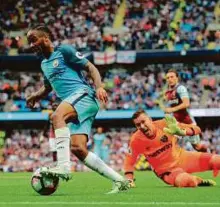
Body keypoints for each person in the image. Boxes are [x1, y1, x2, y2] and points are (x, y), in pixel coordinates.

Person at [26, 24, 129, 193]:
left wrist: (99, 87)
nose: (31, 45)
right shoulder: (44, 64)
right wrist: (34, 96)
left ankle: (63, 167)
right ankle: (119, 181)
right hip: (75, 103)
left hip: (84, 95)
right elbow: (48, 87)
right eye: (29, 42)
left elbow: (91, 67)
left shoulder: (64, 51)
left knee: (57, 116)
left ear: (46, 38)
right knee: (78, 149)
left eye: (34, 40)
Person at [124, 109, 219, 188]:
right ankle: (198, 181)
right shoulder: (136, 139)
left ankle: (194, 179)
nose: (142, 126)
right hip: (167, 171)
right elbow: (129, 160)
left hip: (184, 158)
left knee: (216, 160)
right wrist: (129, 178)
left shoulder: (165, 124)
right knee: (186, 181)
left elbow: (197, 129)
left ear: (150, 119)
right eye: (138, 125)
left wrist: (182, 132)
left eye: (143, 122)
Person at [161, 69, 207, 152]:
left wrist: (172, 109)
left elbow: (186, 103)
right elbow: (172, 106)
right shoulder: (167, 92)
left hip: (188, 122)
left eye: (172, 77)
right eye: (167, 78)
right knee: (171, 144)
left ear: (177, 78)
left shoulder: (181, 88)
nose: (169, 79)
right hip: (177, 123)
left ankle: (209, 154)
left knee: (197, 147)